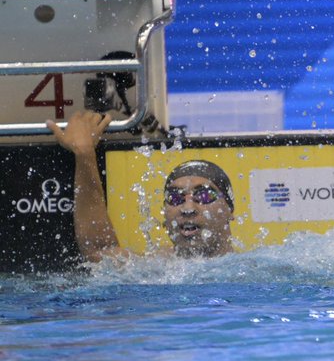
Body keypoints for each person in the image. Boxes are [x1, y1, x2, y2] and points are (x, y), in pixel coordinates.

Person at [47, 111, 236, 260]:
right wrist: (84, 153)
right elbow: (100, 253)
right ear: (164, 217)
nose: (187, 208)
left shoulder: (248, 270)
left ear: (230, 210)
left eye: (203, 196)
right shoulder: (156, 269)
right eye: (175, 198)